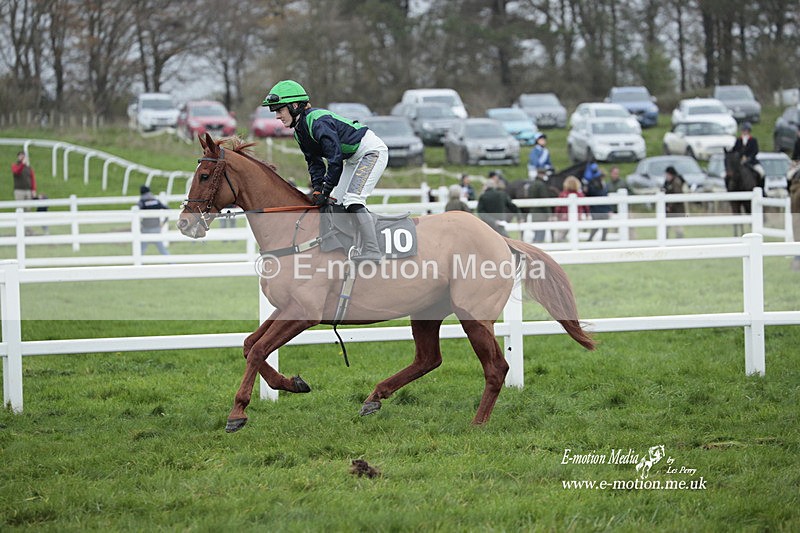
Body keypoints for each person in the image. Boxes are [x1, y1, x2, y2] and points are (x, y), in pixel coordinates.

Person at [263, 79, 388, 262]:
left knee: (353, 199)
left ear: (295, 105)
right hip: (352, 159)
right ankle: (350, 244)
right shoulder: (299, 131)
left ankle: (373, 249)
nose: (277, 116)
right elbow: (314, 163)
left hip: (371, 152)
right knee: (335, 201)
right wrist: (317, 189)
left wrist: (326, 189)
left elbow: (334, 160)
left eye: (280, 110)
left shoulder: (318, 121)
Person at [554, 176, 589, 242]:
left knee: (560, 236)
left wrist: (556, 216)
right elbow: (586, 207)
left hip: (564, 218)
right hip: (577, 217)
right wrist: (587, 215)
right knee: (575, 236)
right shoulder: (580, 195)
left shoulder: (563, 194)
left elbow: (558, 207)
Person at [583, 162, 612, 241]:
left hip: (604, 209)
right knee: (596, 226)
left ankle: (603, 240)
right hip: (596, 209)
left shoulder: (603, 184)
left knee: (605, 227)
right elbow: (591, 193)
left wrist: (609, 209)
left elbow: (606, 197)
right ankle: (589, 240)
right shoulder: (592, 184)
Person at [138, 185, 170, 255]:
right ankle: (171, 263)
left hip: (145, 229)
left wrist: (140, 224)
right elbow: (168, 209)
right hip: (156, 228)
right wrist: (164, 222)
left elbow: (136, 213)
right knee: (162, 249)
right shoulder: (155, 200)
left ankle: (138, 264)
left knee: (141, 250)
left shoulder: (142, 201)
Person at [663, 166, 686, 238]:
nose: (666, 176)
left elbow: (676, 195)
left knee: (677, 227)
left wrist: (669, 206)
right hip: (671, 209)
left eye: (667, 175)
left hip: (676, 209)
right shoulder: (668, 182)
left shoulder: (676, 182)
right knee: (667, 226)